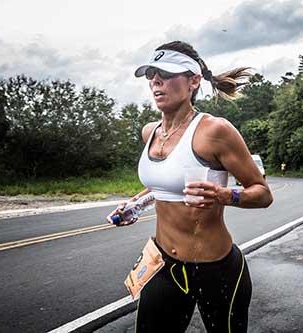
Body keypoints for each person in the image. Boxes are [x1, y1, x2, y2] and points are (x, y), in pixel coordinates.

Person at [107, 40, 273, 332]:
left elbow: (262, 193)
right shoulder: (150, 132)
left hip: (216, 270)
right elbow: (161, 187)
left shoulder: (214, 131)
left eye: (167, 74)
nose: (156, 81)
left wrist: (225, 195)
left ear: (193, 81)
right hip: (163, 265)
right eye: (151, 75)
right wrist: (135, 205)